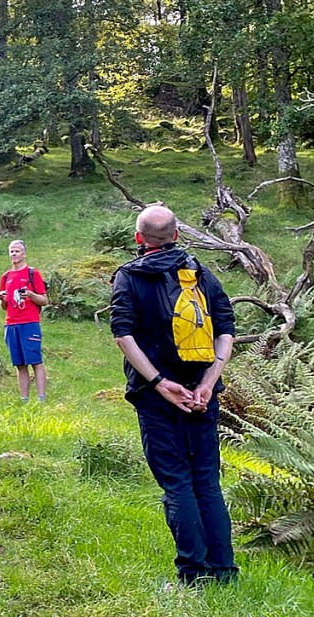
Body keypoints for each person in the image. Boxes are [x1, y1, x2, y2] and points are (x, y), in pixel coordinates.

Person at [110, 204, 238, 587]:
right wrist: (209, 381)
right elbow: (226, 329)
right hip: (201, 395)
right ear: (177, 236)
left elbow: (123, 334)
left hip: (156, 399)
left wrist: (159, 383)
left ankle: (192, 575)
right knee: (207, 482)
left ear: (139, 239)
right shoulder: (200, 273)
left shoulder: (128, 278)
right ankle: (224, 573)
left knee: (177, 484)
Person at [0, 240, 48, 403]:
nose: (14, 254)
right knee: (19, 364)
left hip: (30, 322)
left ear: (24, 254)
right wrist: (2, 299)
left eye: (17, 251)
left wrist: (31, 295)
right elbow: (3, 306)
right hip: (11, 324)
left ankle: (41, 399)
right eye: (11, 251)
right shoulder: (5, 277)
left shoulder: (33, 273)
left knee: (35, 361)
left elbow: (44, 300)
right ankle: (24, 399)